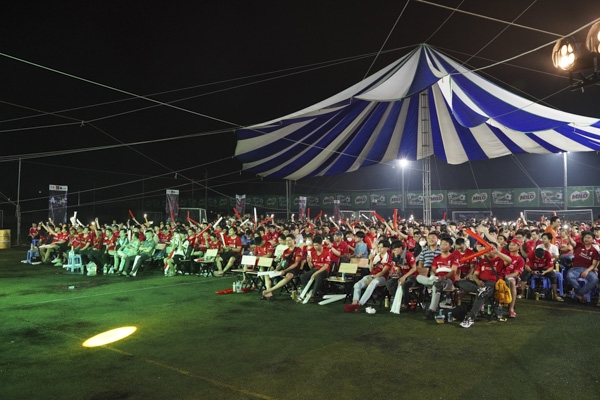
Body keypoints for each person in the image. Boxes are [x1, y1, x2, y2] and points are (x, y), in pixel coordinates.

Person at [458, 242, 505, 328]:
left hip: (492, 284)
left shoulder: (500, 260)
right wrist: (477, 280)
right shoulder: (482, 261)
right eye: (486, 248)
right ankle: (480, 289)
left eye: (489, 248)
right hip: (480, 283)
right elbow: (475, 275)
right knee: (461, 282)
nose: (486, 250)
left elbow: (509, 260)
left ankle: (470, 318)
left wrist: (497, 252)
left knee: (481, 293)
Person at [344, 239, 392, 312]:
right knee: (357, 285)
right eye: (378, 247)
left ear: (387, 248)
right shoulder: (376, 256)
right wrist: (371, 260)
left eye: (381, 247)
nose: (379, 249)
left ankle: (360, 304)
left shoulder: (388, 258)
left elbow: (383, 272)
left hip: (382, 278)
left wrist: (372, 278)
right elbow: (371, 270)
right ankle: (354, 302)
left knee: (372, 284)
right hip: (372, 275)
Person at [419, 236, 459, 320]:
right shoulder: (436, 258)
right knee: (419, 277)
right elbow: (433, 270)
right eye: (441, 244)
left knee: (436, 285)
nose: (442, 246)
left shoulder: (453, 257)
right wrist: (433, 276)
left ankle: (431, 310)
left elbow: (453, 271)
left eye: (445, 244)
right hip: (436, 279)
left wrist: (444, 277)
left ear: (450, 247)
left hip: (448, 280)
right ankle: (434, 284)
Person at [262, 234, 303, 300]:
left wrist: (285, 271)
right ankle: (269, 294)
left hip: (293, 269)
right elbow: (282, 262)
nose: (288, 242)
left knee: (288, 276)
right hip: (284, 268)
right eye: (286, 240)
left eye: (289, 240)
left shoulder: (298, 250)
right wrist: (277, 269)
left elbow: (296, 264)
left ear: (294, 240)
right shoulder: (285, 251)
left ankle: (269, 290)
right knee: (267, 275)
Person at [565, 230, 599, 304]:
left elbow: (594, 264)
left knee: (595, 279)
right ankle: (582, 293)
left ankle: (579, 294)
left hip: (588, 269)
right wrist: (568, 236)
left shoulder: (594, 251)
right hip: (575, 268)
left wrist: (587, 271)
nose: (586, 239)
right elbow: (572, 243)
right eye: (585, 237)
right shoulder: (579, 245)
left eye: (589, 237)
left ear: (593, 240)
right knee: (569, 276)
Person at [387, 240, 418, 313]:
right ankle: (397, 301)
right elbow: (399, 269)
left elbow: (414, 268)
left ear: (401, 248)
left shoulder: (408, 255)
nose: (394, 251)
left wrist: (404, 277)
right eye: (393, 250)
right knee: (389, 283)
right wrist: (396, 273)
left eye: (395, 249)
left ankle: (405, 304)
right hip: (403, 276)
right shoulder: (396, 257)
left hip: (412, 276)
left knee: (405, 285)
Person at [298, 236, 331, 302]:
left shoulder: (326, 253)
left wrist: (316, 273)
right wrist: (309, 261)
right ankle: (307, 291)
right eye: (314, 245)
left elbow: (325, 266)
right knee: (303, 276)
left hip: (324, 271)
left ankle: (313, 295)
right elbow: (312, 267)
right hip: (315, 269)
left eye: (316, 245)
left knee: (318, 276)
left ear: (321, 244)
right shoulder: (313, 253)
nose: (315, 247)